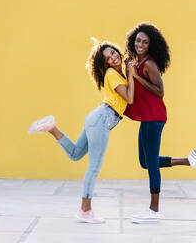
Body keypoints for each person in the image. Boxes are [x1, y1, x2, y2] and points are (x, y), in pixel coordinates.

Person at [28, 40, 135, 224]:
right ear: (106, 64)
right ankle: (85, 210)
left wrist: (128, 69)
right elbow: (130, 98)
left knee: (76, 154)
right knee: (94, 167)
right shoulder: (112, 75)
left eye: (113, 52)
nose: (113, 57)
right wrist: (131, 73)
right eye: (108, 58)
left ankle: (52, 128)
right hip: (101, 119)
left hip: (96, 118)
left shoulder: (116, 74)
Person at [124, 22, 196, 224]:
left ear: (150, 45)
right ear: (133, 40)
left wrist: (137, 76)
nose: (140, 44)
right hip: (147, 118)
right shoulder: (136, 62)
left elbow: (160, 91)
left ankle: (154, 210)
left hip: (154, 117)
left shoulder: (148, 64)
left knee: (152, 165)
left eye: (145, 42)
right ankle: (189, 160)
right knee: (145, 162)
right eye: (138, 40)